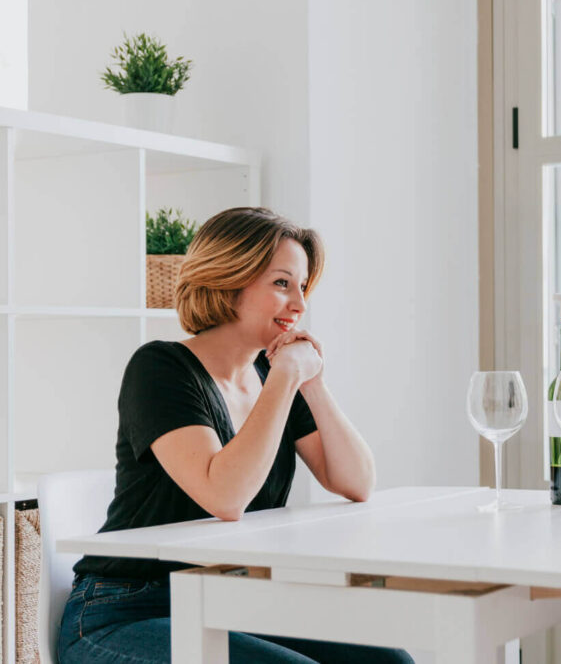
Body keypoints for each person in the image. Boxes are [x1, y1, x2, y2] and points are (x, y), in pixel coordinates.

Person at [59, 207, 413, 664]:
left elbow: (356, 481)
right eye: (282, 283)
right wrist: (287, 378)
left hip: (226, 601)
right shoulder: (160, 368)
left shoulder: (273, 375)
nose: (300, 305)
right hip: (125, 609)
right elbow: (225, 497)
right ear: (229, 279)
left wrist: (313, 382)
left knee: (389, 662)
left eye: (302, 287)